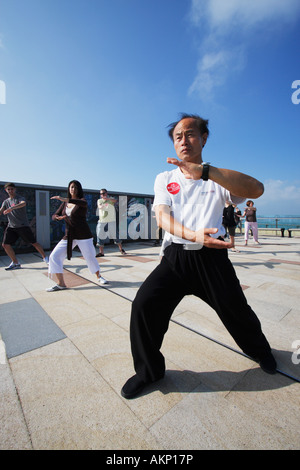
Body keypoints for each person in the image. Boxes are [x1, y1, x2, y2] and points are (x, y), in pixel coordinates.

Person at [121, 113, 276, 400]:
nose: (183, 140)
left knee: (237, 310)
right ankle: (149, 372)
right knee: (144, 306)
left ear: (203, 139)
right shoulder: (165, 178)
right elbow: (162, 218)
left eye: (190, 134)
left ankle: (261, 352)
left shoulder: (217, 177)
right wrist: (193, 235)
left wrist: (206, 172)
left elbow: (257, 189)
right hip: (176, 258)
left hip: (212, 258)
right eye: (178, 136)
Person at [47, 180, 108, 292]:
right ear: (69, 188)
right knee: (54, 256)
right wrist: (57, 217)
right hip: (69, 234)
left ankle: (99, 276)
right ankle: (61, 283)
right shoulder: (64, 204)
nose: (73, 189)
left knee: (89, 257)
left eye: (75, 187)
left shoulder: (82, 201)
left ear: (79, 189)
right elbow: (54, 215)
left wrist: (65, 199)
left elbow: (83, 204)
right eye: (71, 187)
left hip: (83, 234)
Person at [0, 182, 48, 270]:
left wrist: (11, 208)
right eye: (8, 189)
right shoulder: (6, 202)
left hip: (23, 226)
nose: (10, 191)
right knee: (5, 245)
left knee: (34, 243)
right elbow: (1, 210)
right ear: (6, 190)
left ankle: (45, 258)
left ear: (15, 189)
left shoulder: (19, 198)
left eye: (12, 189)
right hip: (11, 227)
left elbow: (23, 203)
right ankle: (15, 263)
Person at [96, 188, 126, 256]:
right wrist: (106, 204)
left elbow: (115, 200)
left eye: (103, 193)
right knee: (99, 236)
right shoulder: (99, 200)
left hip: (111, 221)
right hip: (102, 221)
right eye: (101, 194)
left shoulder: (111, 199)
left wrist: (108, 199)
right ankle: (101, 252)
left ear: (106, 193)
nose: (102, 195)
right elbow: (100, 207)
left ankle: (121, 249)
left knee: (115, 236)